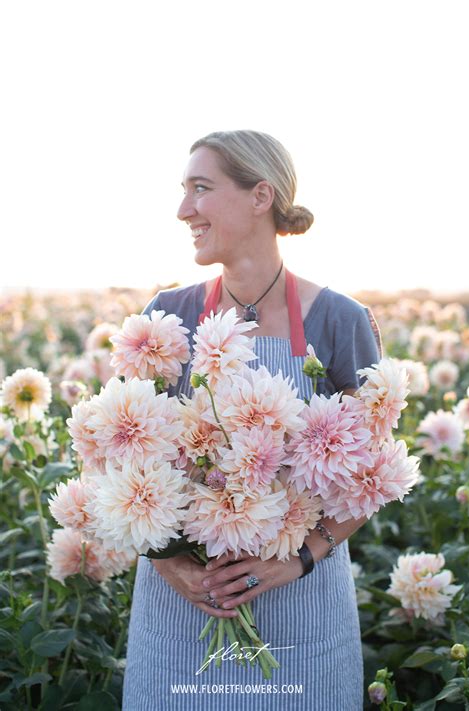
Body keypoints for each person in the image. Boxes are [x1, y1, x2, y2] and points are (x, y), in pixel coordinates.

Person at [122, 130, 382, 710]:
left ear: (260, 195)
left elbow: (371, 478)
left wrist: (297, 560)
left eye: (201, 188)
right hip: (183, 604)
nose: (183, 209)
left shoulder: (341, 321)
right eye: (185, 190)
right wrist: (175, 571)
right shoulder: (166, 317)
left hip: (299, 601)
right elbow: (122, 459)